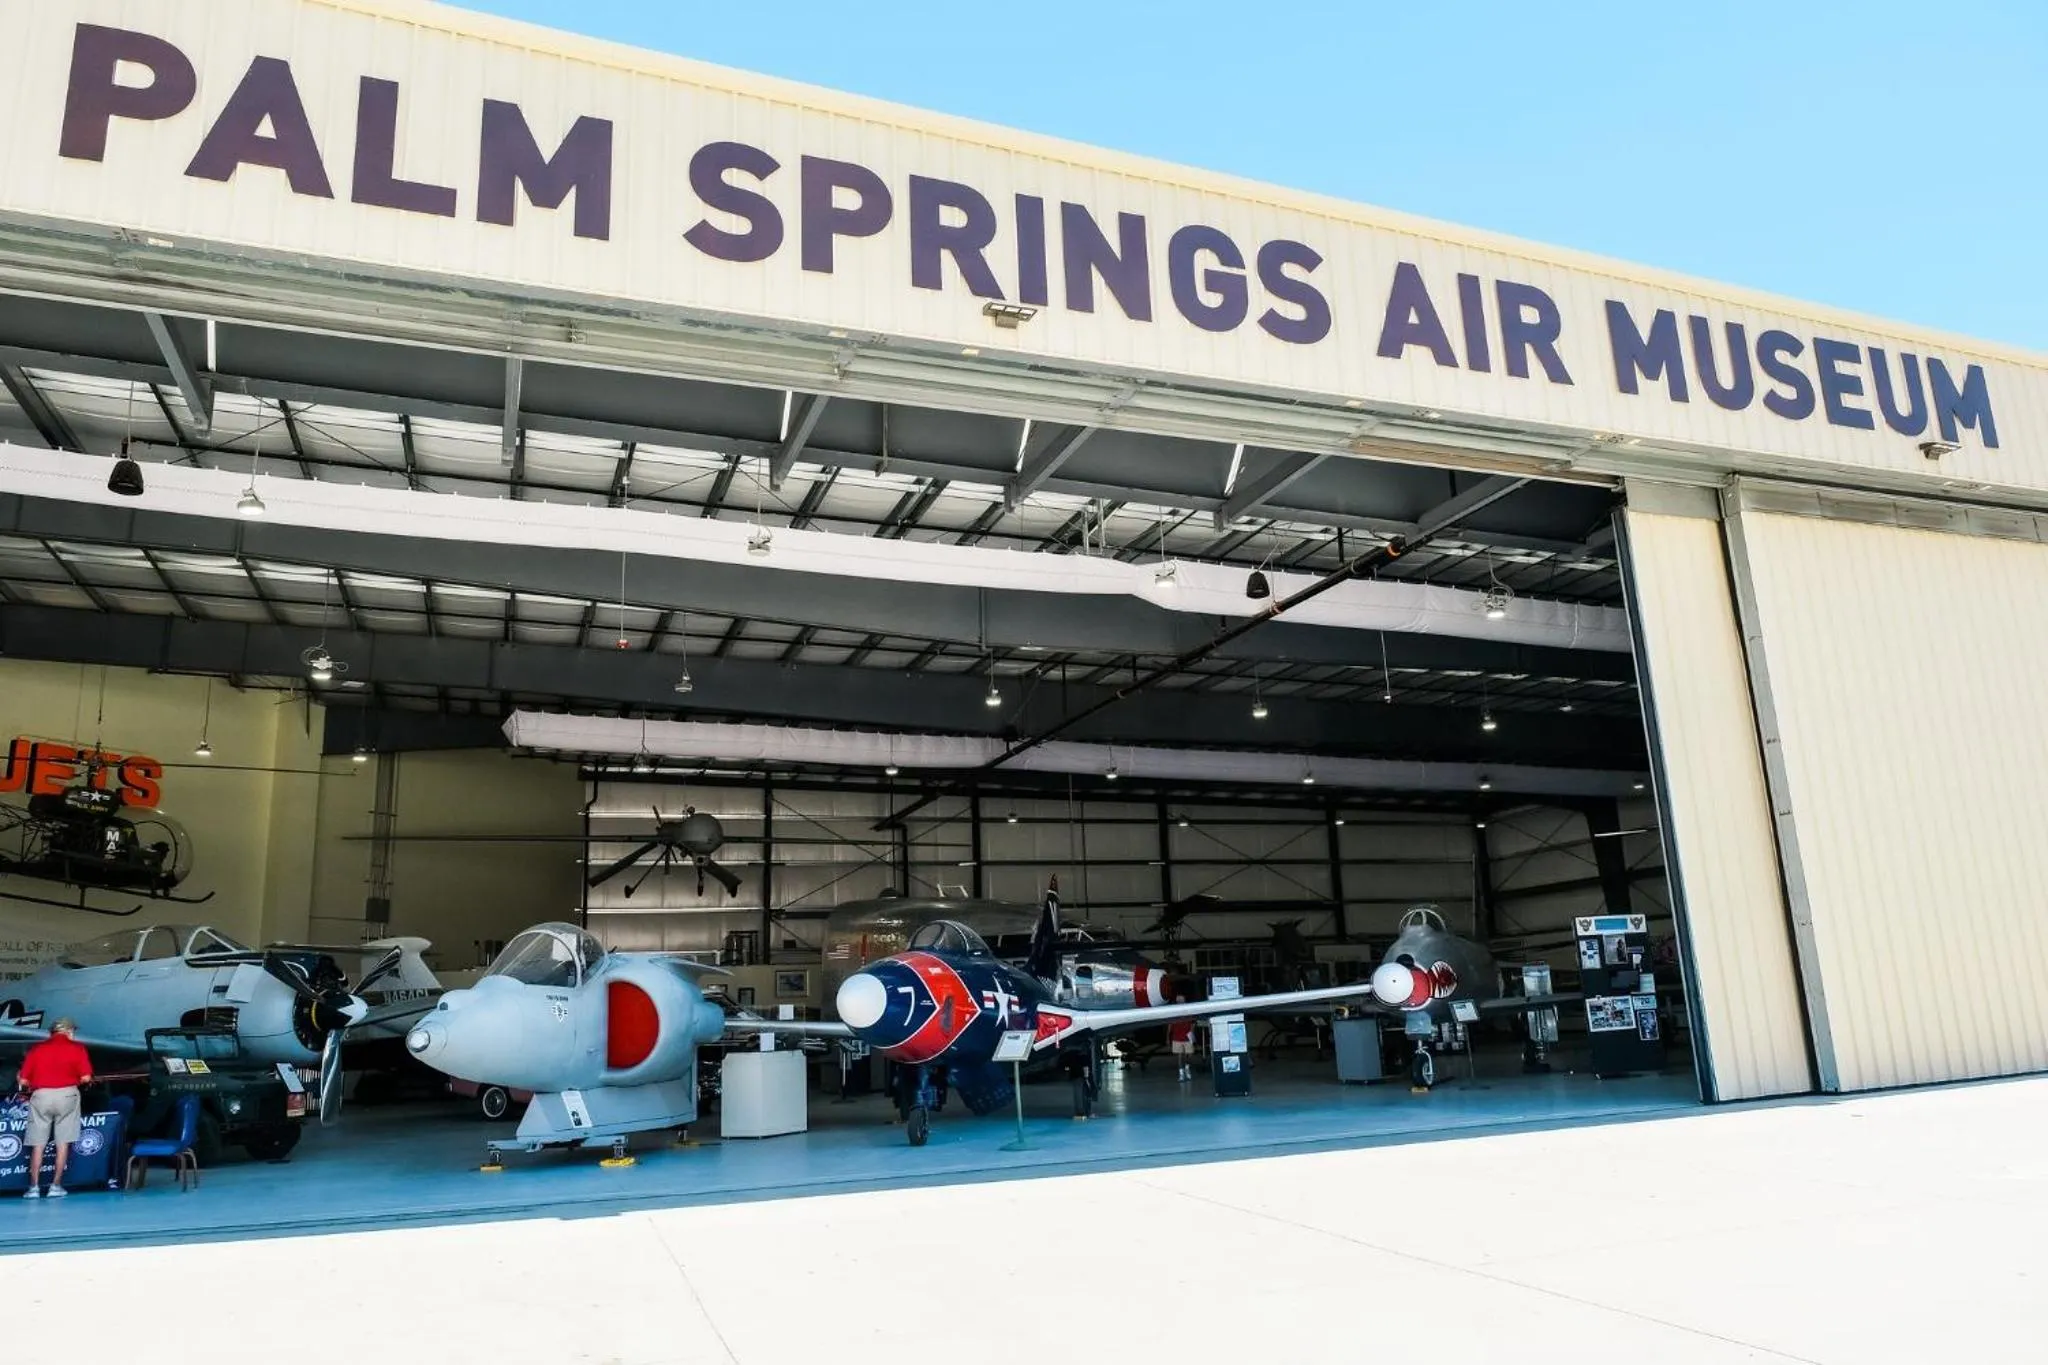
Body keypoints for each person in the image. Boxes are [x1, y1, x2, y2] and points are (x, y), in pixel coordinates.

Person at [18, 1019, 93, 1199]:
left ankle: (33, 1188)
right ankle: (55, 1186)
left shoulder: (37, 1049)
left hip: (41, 1096)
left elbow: (23, 1081)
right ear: (68, 1031)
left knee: (38, 1144)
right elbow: (85, 1077)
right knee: (62, 1143)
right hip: (67, 1096)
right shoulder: (77, 1048)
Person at [1169, 1017, 1197, 1083]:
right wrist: (1168, 1036)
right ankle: (1181, 1074)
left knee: (1189, 1055)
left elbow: (1193, 1024)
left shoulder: (1188, 1013)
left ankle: (1187, 1069)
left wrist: (1192, 1035)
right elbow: (1170, 1025)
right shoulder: (1173, 1014)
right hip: (1177, 1038)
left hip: (1187, 1038)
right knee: (1180, 1056)